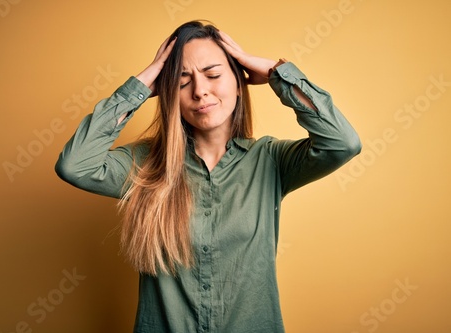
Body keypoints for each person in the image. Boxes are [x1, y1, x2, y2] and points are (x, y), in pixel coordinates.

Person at [55, 20, 361, 333]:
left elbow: (342, 143)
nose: (200, 91)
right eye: (183, 81)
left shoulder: (270, 160)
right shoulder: (147, 164)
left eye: (213, 75)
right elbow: (75, 165)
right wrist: (142, 85)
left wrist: (275, 73)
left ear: (239, 84)